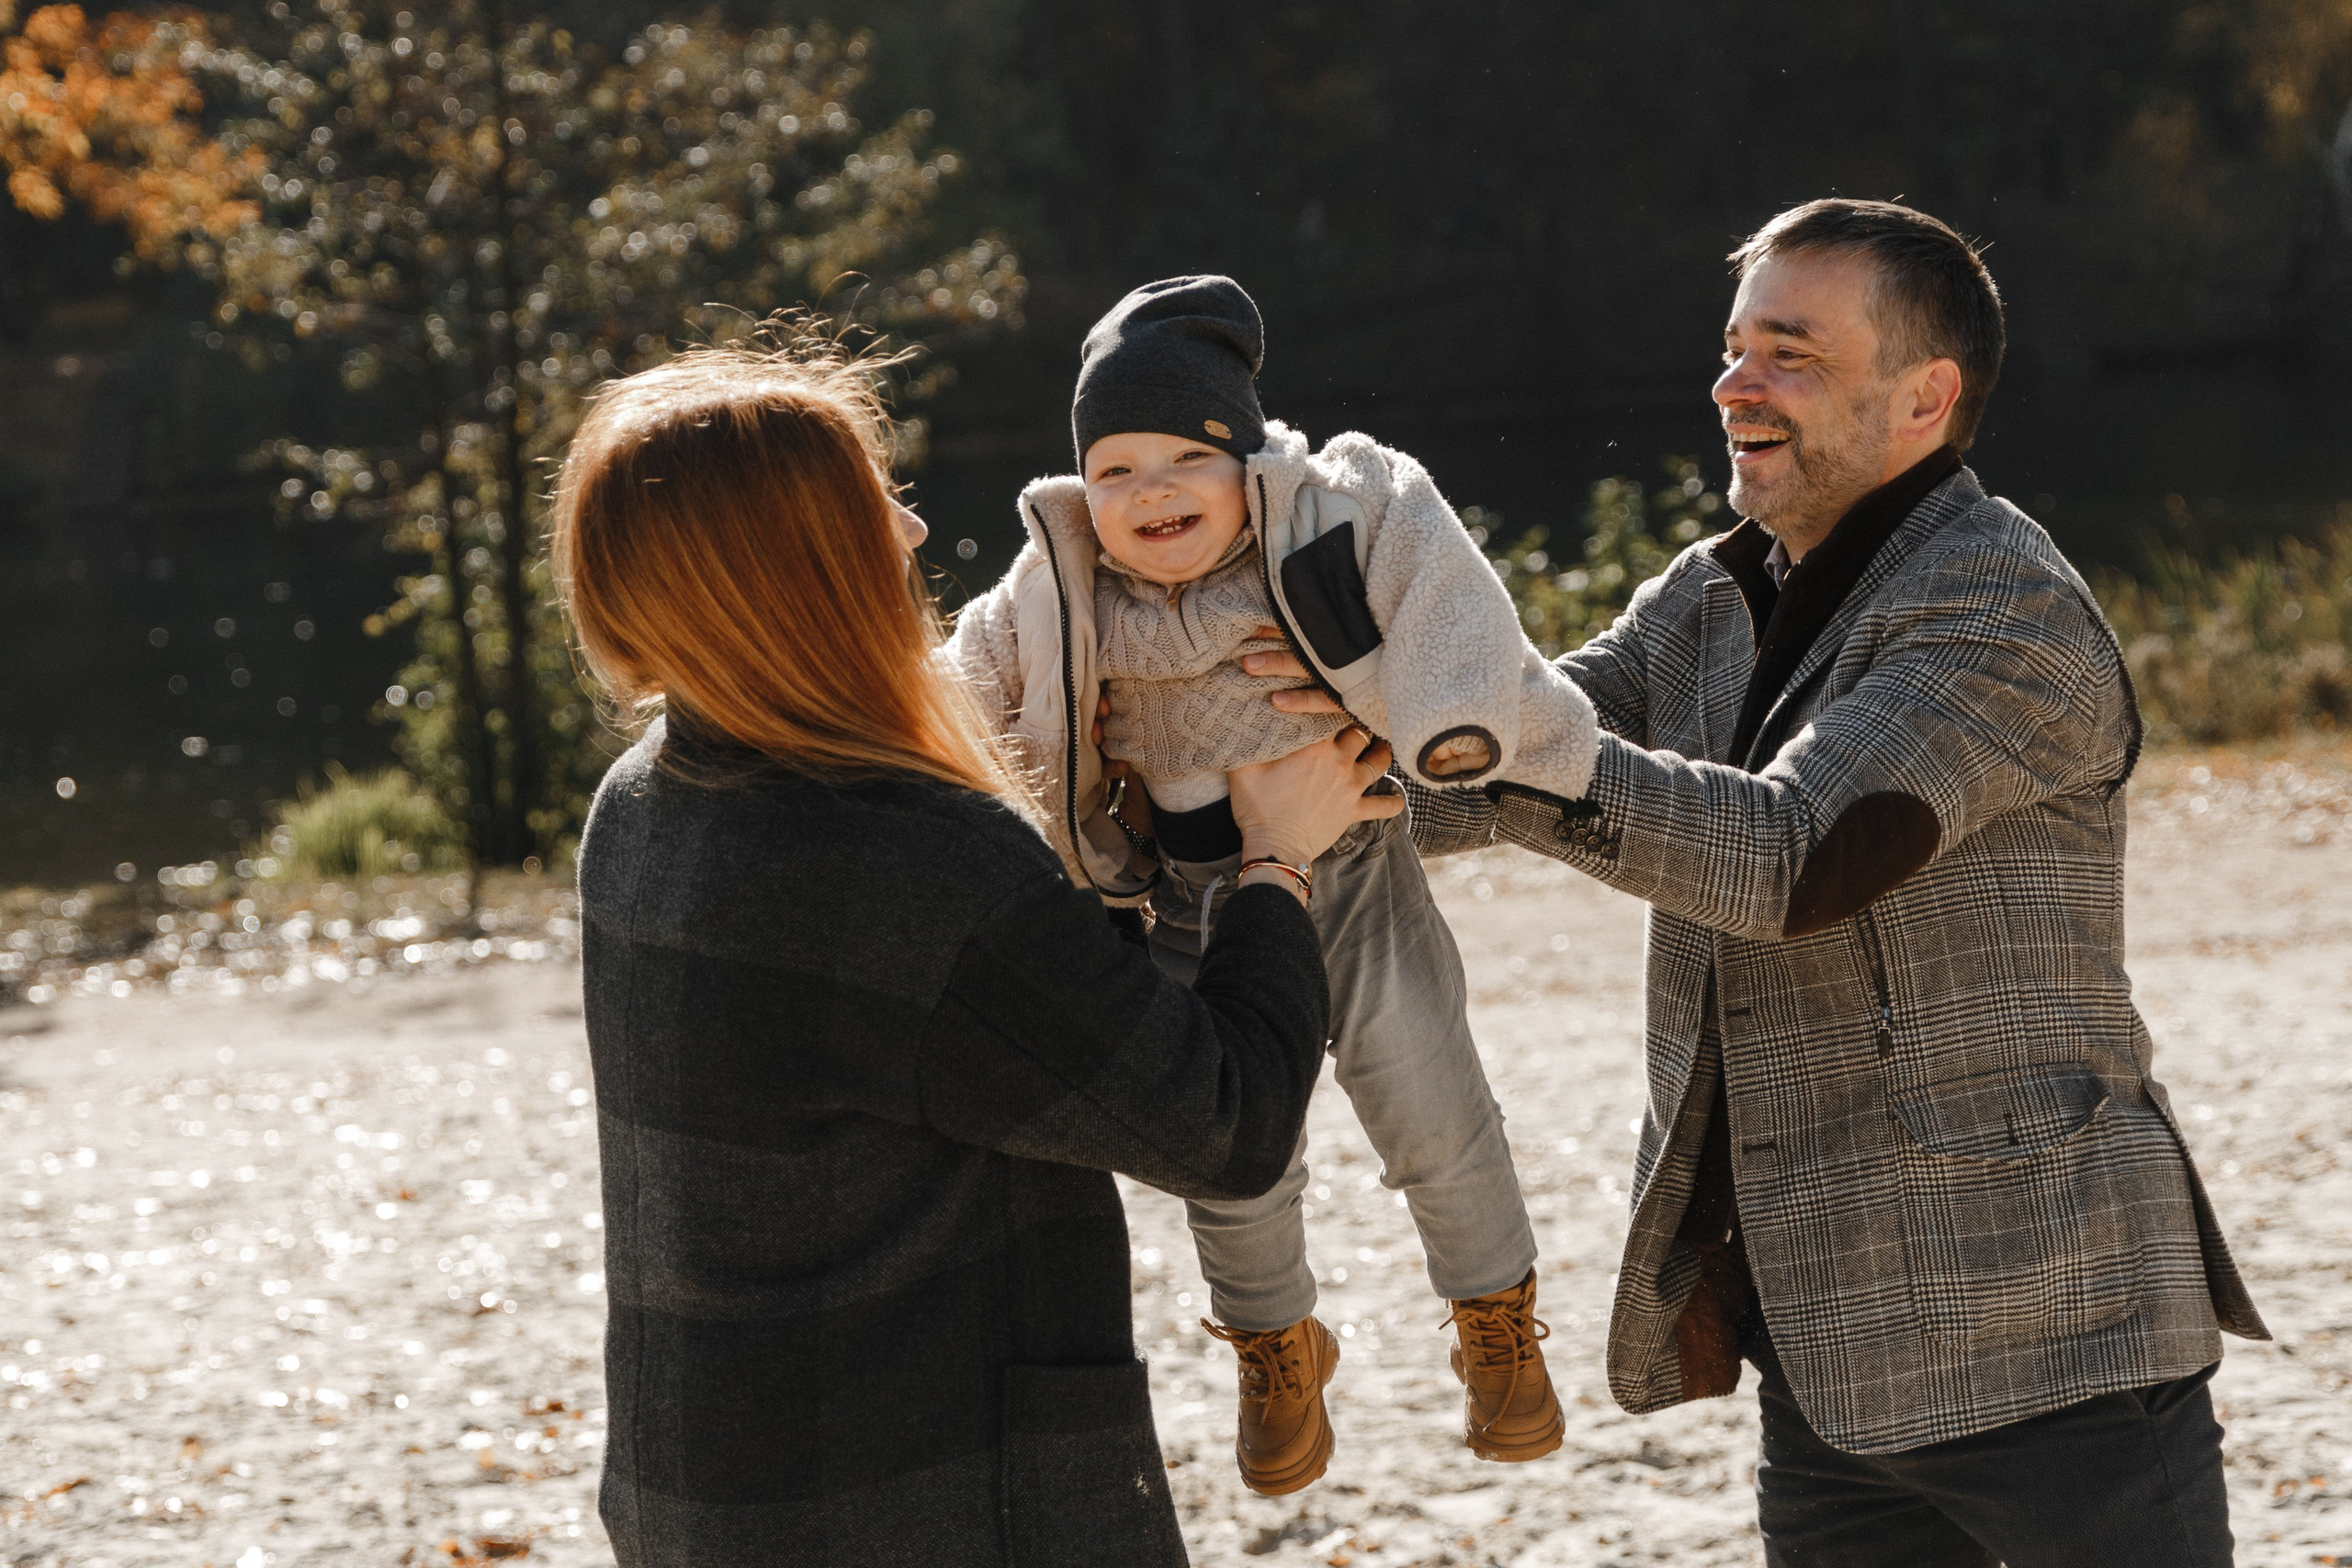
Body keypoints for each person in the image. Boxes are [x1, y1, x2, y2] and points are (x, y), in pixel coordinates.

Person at [1250, 199, 2268, 1565]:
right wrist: (1261, 775)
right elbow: (1500, 758)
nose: (1735, 383)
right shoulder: (1714, 588)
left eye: (1789, 352)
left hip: (2055, 1341)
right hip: (1827, 1357)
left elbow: (1792, 856)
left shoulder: (1997, 602)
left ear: (1926, 397)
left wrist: (1493, 747)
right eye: (1735, 348)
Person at [551, 340, 1403, 1567]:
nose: (906, 533)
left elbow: (972, 1036)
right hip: (929, 1499)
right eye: (868, 506)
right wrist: (1276, 858)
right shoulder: (908, 860)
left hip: (705, 1486)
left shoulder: (642, 801)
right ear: (794, 572)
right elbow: (1224, 1122)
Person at [945, 276, 1599, 1495]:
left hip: (1351, 864)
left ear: (1244, 459)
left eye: (1181, 461)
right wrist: (978, 756)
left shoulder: (1331, 515)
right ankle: (1275, 1345)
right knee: (1232, 1143)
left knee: (1428, 1092)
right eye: (1115, 469)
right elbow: (960, 684)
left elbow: (1443, 584)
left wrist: (1446, 716)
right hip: (1192, 894)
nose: (1147, 495)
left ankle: (1493, 1320)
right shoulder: (1063, 579)